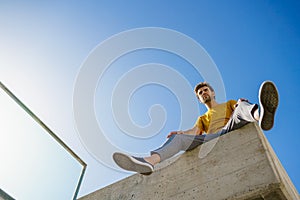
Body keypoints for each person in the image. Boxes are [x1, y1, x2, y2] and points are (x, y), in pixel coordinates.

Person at [113, 81, 279, 175]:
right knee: (177, 138)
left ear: (213, 93)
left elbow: (238, 110)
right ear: (200, 99)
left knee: (242, 104)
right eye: (200, 93)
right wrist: (180, 133)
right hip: (211, 138)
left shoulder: (228, 103)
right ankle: (148, 163)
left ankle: (261, 114)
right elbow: (194, 132)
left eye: (205, 90)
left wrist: (240, 105)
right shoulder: (202, 118)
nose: (203, 93)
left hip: (229, 127)